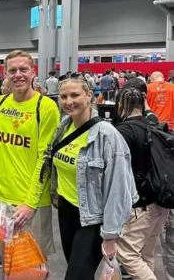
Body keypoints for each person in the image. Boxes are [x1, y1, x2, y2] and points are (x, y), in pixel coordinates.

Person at [41, 75, 137, 279]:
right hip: (66, 212)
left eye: (75, 95)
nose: (69, 101)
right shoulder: (63, 128)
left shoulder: (107, 136)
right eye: (64, 96)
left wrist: (110, 236)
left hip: (93, 220)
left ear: (89, 96)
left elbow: (118, 189)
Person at [0, 50, 60, 258]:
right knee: (7, 262)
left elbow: (45, 159)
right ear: (5, 74)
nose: (18, 74)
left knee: (32, 266)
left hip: (31, 202)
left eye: (23, 69)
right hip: (0, 197)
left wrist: (30, 202)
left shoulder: (45, 107)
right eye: (12, 70)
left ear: (33, 72)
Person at [112, 88, 169, 280]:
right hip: (159, 201)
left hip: (138, 205)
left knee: (127, 255)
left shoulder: (123, 131)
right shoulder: (154, 124)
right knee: (147, 253)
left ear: (120, 105)